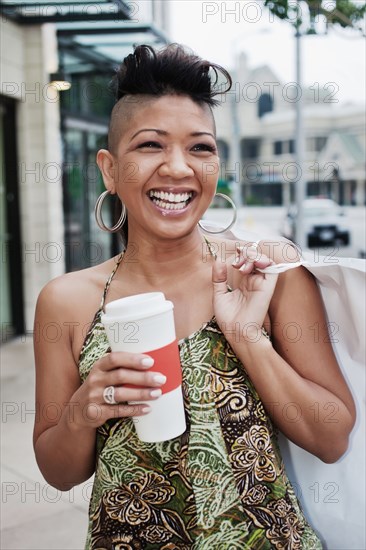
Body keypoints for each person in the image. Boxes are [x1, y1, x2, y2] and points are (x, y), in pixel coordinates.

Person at [33, 44, 356, 549]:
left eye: (200, 147)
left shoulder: (265, 273)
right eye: (150, 146)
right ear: (110, 169)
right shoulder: (67, 300)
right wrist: (86, 408)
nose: (179, 168)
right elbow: (58, 471)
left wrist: (248, 336)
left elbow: (332, 438)